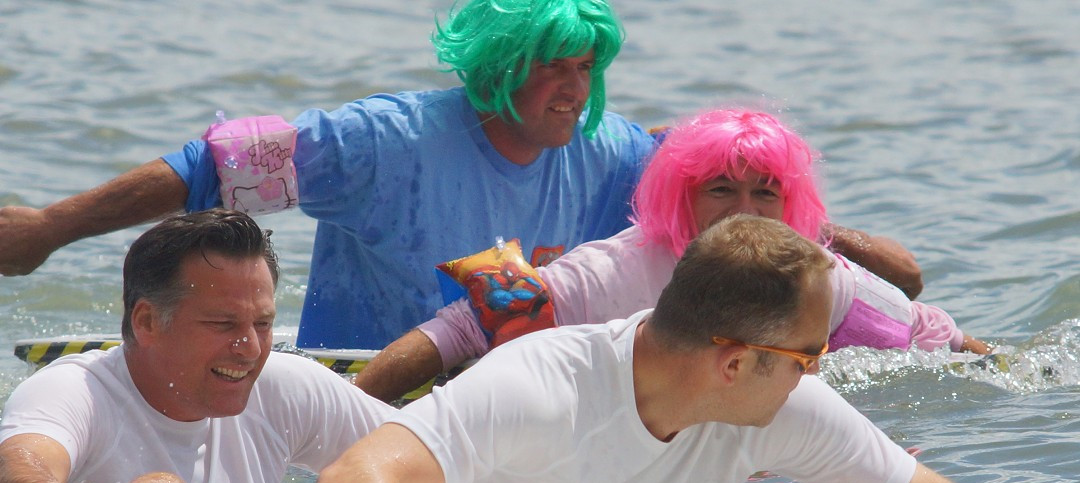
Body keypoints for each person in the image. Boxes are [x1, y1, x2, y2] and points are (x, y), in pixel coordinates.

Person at [308, 214, 1074, 483]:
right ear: (737, 361)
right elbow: (352, 477)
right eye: (812, 355)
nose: (819, 372)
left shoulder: (780, 404)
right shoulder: (539, 383)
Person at [0, 0, 921, 351]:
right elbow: (206, 168)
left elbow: (737, 206)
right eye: (552, 65)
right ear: (493, 65)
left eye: (587, 67)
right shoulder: (378, 142)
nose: (574, 88)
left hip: (519, 396)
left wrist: (844, 254)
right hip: (369, 378)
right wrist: (46, 228)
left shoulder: (620, 152)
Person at [354, 108, 983, 403]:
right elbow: (461, 325)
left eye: (766, 194)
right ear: (683, 194)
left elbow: (926, 338)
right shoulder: (622, 269)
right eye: (721, 190)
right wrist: (356, 410)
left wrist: (989, 364)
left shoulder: (817, 275)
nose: (745, 210)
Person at [0, 209, 394, 483]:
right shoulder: (74, 389)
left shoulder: (283, 384)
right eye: (223, 324)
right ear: (147, 322)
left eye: (263, 324)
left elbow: (421, 452)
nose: (250, 349)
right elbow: (16, 468)